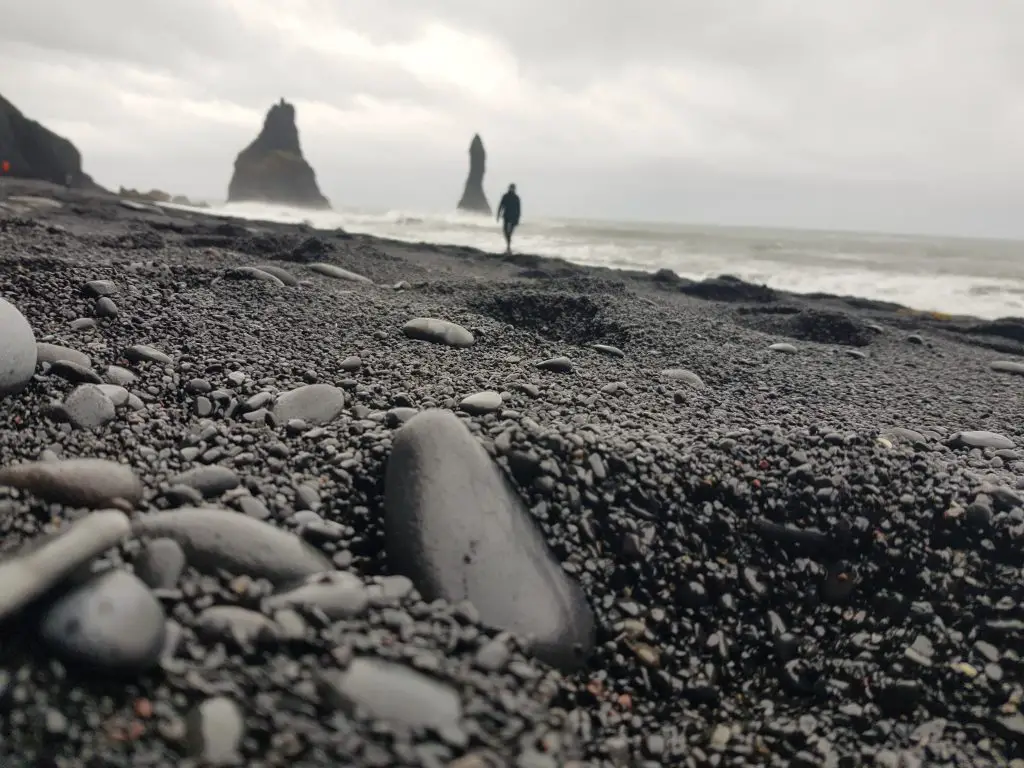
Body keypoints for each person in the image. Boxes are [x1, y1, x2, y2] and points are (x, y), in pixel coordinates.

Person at [496, 183, 521, 253]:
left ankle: (508, 245)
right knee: (505, 230)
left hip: (513, 217)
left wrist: (518, 219)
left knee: (510, 232)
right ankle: (508, 244)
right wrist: (498, 215)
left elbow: (518, 209)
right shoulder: (505, 196)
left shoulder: (516, 198)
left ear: (514, 189)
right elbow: (501, 205)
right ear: (509, 188)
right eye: (511, 188)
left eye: (513, 188)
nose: (511, 189)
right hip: (506, 216)